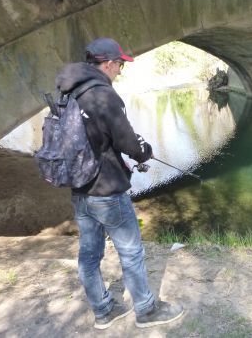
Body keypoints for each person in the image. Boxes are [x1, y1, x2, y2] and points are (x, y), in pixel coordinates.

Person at [55, 38, 184, 330]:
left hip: (80, 189)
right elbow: (127, 141)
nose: (121, 71)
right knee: (131, 252)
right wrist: (144, 151)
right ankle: (147, 310)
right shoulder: (103, 95)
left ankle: (103, 311)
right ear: (109, 63)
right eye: (121, 65)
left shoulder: (68, 92)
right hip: (108, 190)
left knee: (89, 255)